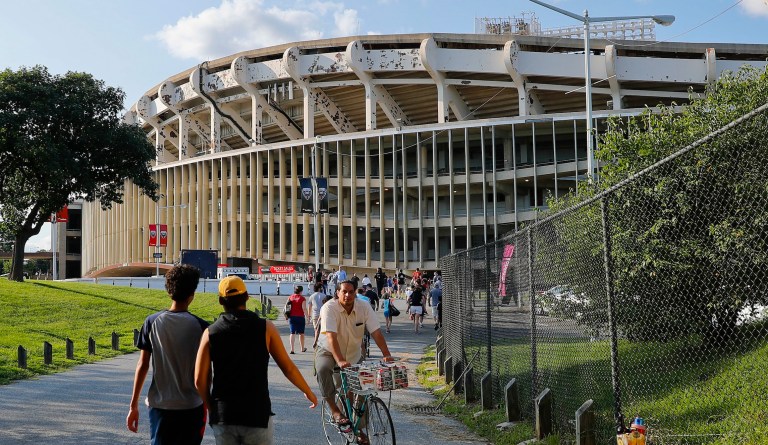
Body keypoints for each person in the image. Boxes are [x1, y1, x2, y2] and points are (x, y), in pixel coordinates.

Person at [195, 276, 318, 445]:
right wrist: (308, 392)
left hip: (224, 415)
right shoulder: (266, 328)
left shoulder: (210, 333)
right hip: (257, 414)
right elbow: (288, 368)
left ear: (220, 301)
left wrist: (212, 408)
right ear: (247, 297)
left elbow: (199, 380)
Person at [127, 264, 208, 445]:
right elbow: (207, 372)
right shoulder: (202, 327)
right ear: (192, 295)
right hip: (192, 405)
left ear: (169, 291)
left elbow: (143, 365)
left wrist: (133, 406)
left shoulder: (151, 322)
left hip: (160, 406)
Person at [315, 280, 394, 445]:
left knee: (361, 388)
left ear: (356, 293)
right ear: (337, 293)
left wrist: (387, 354)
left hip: (353, 354)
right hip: (329, 350)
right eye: (344, 291)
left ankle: (358, 429)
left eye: (351, 292)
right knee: (322, 369)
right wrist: (340, 360)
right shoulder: (329, 308)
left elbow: (376, 332)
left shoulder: (363, 307)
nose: (348, 295)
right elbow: (331, 337)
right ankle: (335, 410)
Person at [287, 285, 309, 353]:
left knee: (292, 333)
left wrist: (286, 316)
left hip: (292, 317)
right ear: (301, 291)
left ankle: (292, 349)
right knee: (301, 333)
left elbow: (287, 307)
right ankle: (302, 348)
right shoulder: (302, 298)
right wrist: (307, 317)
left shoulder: (290, 297)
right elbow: (304, 308)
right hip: (300, 317)